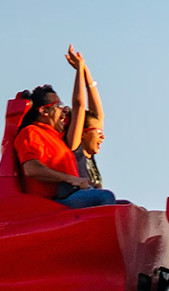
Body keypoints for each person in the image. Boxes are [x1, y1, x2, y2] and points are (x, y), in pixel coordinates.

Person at [13, 47, 116, 209]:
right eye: (59, 106)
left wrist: (85, 72)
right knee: (105, 197)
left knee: (125, 207)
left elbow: (95, 115)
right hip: (50, 205)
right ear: (44, 111)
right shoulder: (31, 133)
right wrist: (70, 179)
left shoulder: (57, 137)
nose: (64, 110)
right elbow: (32, 169)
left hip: (70, 197)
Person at [72, 53, 104, 188]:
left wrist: (85, 71)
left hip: (95, 199)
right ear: (83, 133)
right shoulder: (76, 149)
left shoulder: (90, 155)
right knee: (106, 196)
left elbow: (98, 115)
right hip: (78, 199)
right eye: (98, 132)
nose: (102, 136)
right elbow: (79, 106)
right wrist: (79, 69)